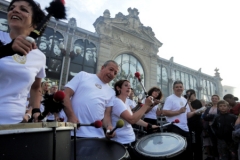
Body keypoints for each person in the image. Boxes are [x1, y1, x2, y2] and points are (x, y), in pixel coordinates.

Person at [0, 0, 46, 124]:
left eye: (23, 9)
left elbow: (36, 88)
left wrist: (36, 110)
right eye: (12, 8)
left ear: (35, 24)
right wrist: (8, 49)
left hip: (15, 125)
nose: (14, 10)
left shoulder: (39, 56)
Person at [63, 60, 119, 138]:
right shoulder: (83, 75)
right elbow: (65, 95)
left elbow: (107, 115)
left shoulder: (112, 92)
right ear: (102, 68)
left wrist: (109, 127)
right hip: (73, 133)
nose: (112, 74)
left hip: (97, 137)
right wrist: (71, 115)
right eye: (111, 69)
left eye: (115, 73)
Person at [110, 79, 157, 159]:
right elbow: (132, 120)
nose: (129, 88)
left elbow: (136, 119)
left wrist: (149, 125)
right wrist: (146, 105)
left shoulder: (125, 103)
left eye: (130, 86)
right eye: (126, 85)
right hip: (122, 143)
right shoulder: (117, 102)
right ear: (118, 88)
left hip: (131, 140)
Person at [162, 81, 202, 160]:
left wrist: (196, 112)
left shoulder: (184, 100)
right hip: (174, 126)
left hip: (185, 128)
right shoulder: (170, 98)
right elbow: (165, 112)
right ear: (173, 89)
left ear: (183, 88)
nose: (179, 88)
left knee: (188, 151)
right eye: (177, 87)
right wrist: (178, 111)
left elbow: (187, 114)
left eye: (180, 87)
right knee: (177, 152)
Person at [186, 89, 203, 160]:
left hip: (196, 125)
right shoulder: (188, 102)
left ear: (194, 94)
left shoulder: (197, 102)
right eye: (187, 95)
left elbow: (194, 111)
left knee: (197, 142)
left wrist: (188, 104)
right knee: (192, 142)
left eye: (189, 95)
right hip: (190, 125)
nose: (188, 96)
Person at [202, 95, 220, 160]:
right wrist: (212, 116)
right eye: (213, 98)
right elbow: (204, 117)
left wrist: (209, 116)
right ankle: (214, 156)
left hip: (217, 128)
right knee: (212, 143)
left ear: (218, 99)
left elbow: (218, 117)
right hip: (209, 127)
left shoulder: (220, 107)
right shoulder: (208, 108)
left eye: (216, 98)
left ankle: (219, 156)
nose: (214, 99)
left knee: (218, 143)